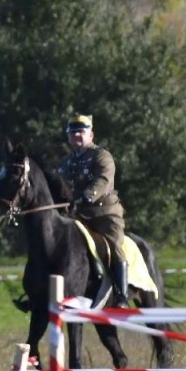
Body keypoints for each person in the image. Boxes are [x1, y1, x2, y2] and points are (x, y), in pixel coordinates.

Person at [56, 113, 127, 305]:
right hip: (75, 214)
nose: (77, 135)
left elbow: (103, 179)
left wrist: (87, 196)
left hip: (103, 214)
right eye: (73, 132)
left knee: (114, 245)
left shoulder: (101, 156)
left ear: (91, 134)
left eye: (81, 132)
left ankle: (121, 295)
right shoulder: (65, 163)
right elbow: (59, 185)